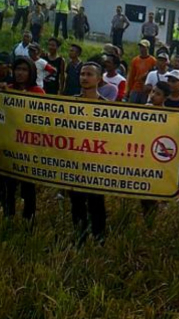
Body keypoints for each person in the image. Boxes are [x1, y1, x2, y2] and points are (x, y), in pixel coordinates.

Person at [0, 57, 45, 222]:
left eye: (24, 70)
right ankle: (8, 216)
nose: (20, 73)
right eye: (18, 69)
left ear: (31, 72)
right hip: (10, 147)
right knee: (8, 186)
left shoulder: (38, 92)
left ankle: (28, 220)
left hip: (29, 150)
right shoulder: (7, 89)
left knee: (28, 188)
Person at [70, 62, 109, 245]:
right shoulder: (70, 103)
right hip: (75, 163)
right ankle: (80, 237)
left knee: (96, 203)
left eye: (89, 74)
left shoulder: (108, 107)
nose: (84, 78)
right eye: (82, 74)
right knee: (76, 202)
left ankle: (99, 237)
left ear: (99, 79)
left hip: (97, 164)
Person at [139, 81, 172, 224]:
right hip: (143, 156)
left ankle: (152, 222)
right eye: (152, 92)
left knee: (152, 193)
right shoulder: (144, 109)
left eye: (158, 94)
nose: (153, 96)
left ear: (165, 98)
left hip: (157, 158)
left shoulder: (171, 116)